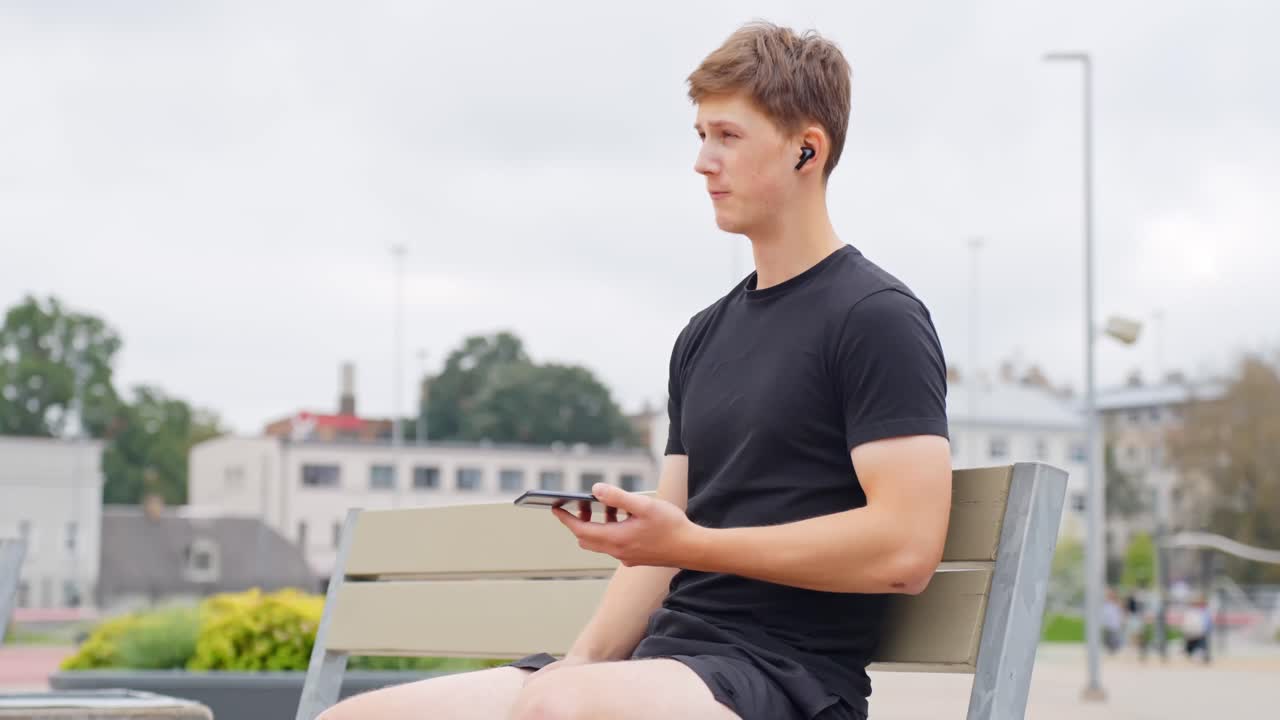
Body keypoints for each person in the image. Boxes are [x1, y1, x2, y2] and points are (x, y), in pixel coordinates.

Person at [318, 21, 951, 720]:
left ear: (808, 147)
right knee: (354, 717)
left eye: (728, 136)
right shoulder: (702, 337)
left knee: (563, 705)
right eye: (700, 135)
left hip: (785, 680)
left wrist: (692, 545)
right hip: (663, 665)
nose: (703, 161)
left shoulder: (876, 317)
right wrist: (580, 660)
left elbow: (906, 548)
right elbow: (664, 541)